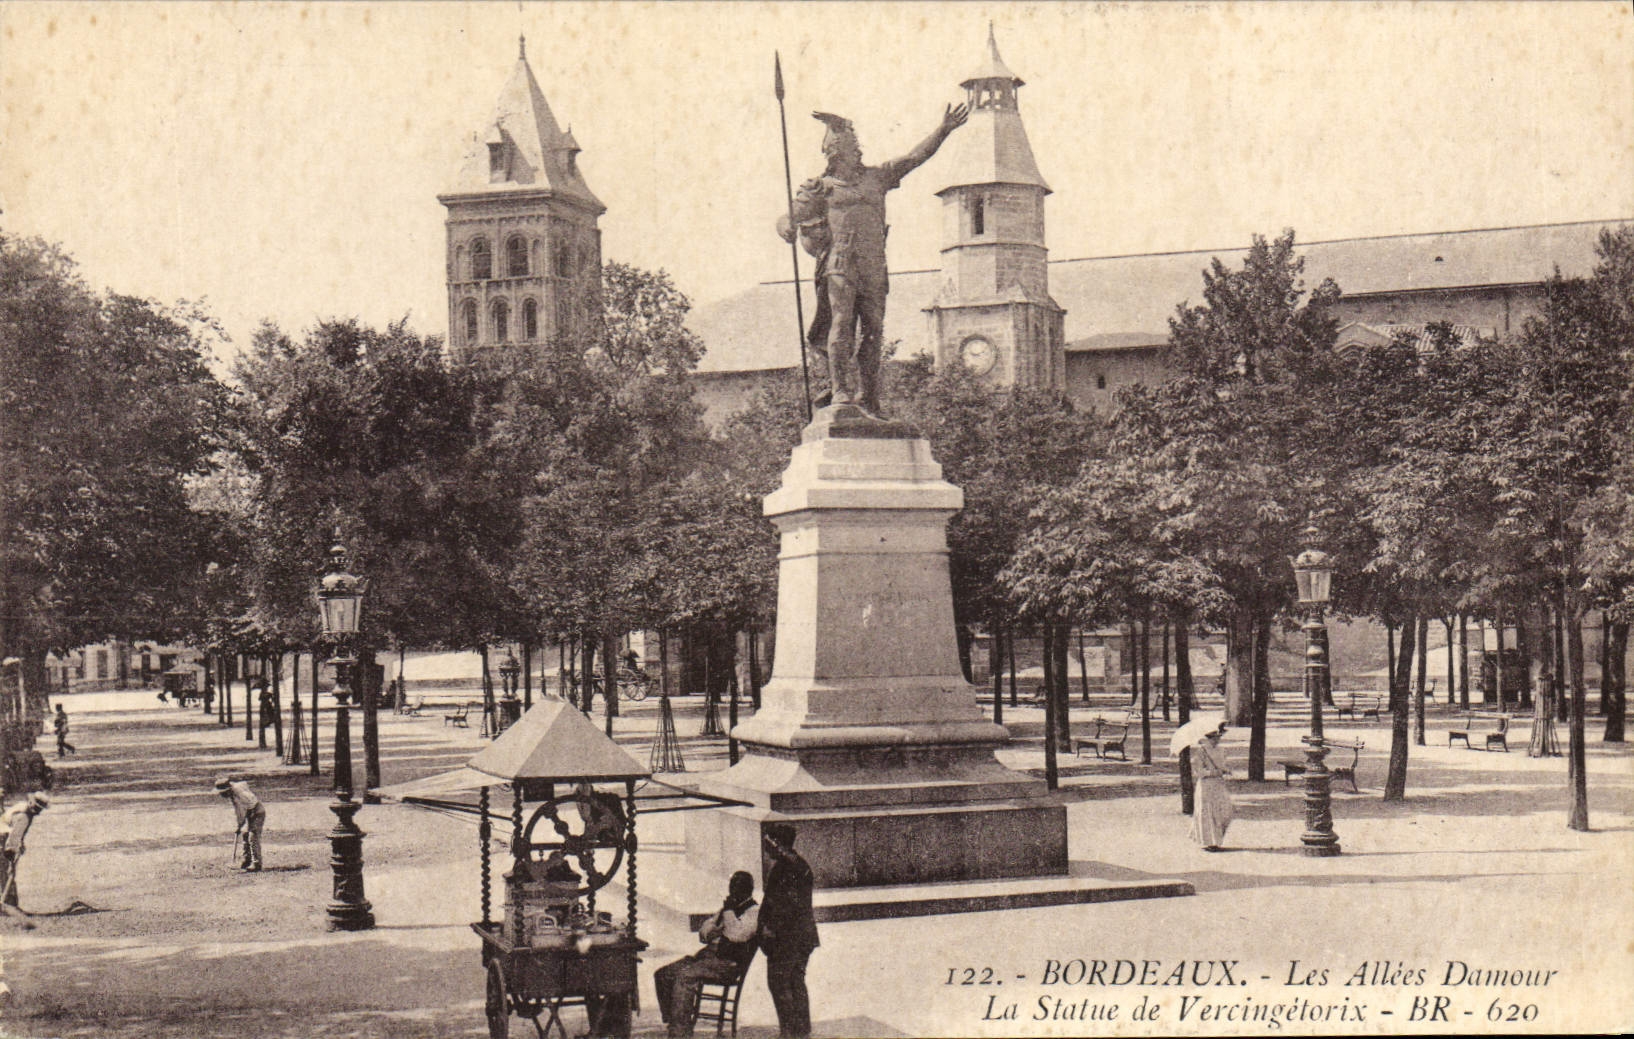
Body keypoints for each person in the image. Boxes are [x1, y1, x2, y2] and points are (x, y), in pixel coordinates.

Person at [777, 104, 968, 418]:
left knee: (874, 330)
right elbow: (789, 215)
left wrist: (943, 129)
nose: (859, 151)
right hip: (840, 263)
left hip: (874, 265)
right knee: (841, 324)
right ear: (836, 153)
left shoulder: (877, 177)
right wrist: (785, 226)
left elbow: (914, 157)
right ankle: (841, 391)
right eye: (852, 147)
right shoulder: (820, 188)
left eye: (858, 145)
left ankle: (869, 397)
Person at [654, 870, 759, 1038]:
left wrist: (728, 915)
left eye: (738, 888)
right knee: (663, 974)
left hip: (728, 963)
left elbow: (736, 935)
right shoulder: (727, 909)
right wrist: (714, 930)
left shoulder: (753, 912)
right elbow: (704, 933)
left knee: (685, 976)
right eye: (732, 887)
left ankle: (680, 1033)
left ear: (748, 890)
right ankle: (674, 1021)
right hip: (707, 957)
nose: (733, 892)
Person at [758, 823, 818, 1039]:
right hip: (803, 936)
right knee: (795, 981)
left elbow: (785, 906)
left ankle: (789, 1032)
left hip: (787, 938)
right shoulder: (800, 865)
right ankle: (801, 1031)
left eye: (768, 843)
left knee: (780, 983)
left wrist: (770, 928)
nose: (766, 848)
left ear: (777, 843)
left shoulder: (785, 868)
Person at [1188, 725, 1234, 851]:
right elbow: (1199, 772)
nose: (1216, 740)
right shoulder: (1201, 752)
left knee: (1225, 811)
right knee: (1208, 812)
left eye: (1218, 738)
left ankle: (1217, 840)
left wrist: (1226, 770)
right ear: (1208, 738)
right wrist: (1213, 773)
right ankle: (1210, 842)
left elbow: (1223, 765)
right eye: (1213, 738)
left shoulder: (1221, 750)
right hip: (1206, 786)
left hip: (1218, 784)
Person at [1, 792, 50, 909]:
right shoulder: (24, 816)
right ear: (32, 803)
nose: (38, 811)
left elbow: (16, 831)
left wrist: (20, 844)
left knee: (4, 872)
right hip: (2, 837)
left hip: (4, 834)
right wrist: (11, 852)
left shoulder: (22, 806)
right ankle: (9, 905)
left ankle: (8, 904)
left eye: (40, 808)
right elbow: (14, 835)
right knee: (6, 872)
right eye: (37, 807)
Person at [214, 775, 265, 871]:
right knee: (245, 835)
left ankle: (256, 864)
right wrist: (240, 825)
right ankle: (246, 861)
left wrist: (239, 825)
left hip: (257, 812)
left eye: (222, 793)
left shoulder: (238, 795)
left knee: (252, 837)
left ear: (227, 790)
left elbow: (241, 813)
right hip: (250, 811)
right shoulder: (234, 791)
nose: (222, 796)